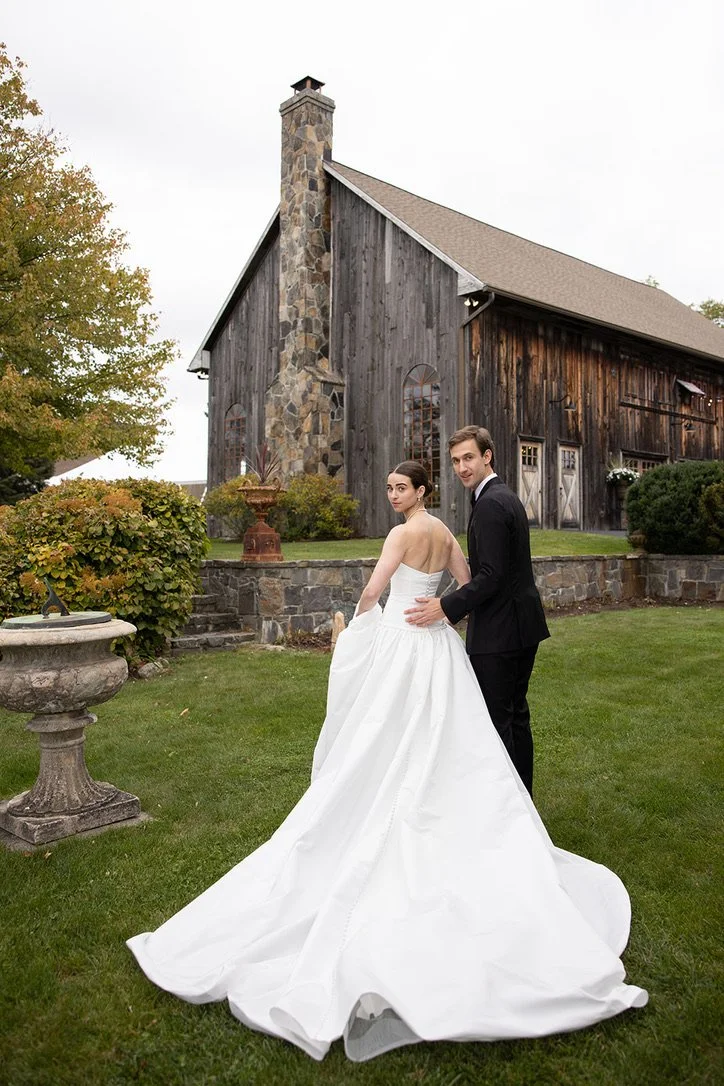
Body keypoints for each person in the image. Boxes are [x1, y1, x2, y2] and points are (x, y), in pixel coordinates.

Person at [127, 461, 647, 1063]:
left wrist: (358, 628)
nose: (394, 495)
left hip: (404, 641)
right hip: (437, 643)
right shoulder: (448, 532)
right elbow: (467, 581)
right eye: (391, 487)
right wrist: (440, 611)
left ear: (421, 491)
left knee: (393, 731)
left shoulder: (402, 535)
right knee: (440, 730)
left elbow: (374, 592)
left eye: (402, 487)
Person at [405, 427, 549, 796]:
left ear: (487, 456)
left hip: (501, 633)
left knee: (499, 723)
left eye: (468, 458)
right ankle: (523, 804)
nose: (462, 467)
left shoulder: (491, 504)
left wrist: (445, 606)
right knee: (515, 717)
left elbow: (492, 576)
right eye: (455, 461)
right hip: (520, 626)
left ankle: (509, 810)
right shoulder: (503, 497)